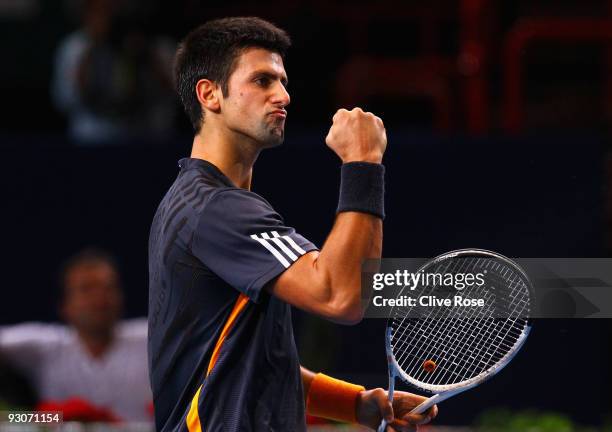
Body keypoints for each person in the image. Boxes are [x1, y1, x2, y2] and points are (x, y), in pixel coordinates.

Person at [148, 17, 438, 432]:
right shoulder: (215, 210)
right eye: (263, 80)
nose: (283, 95)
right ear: (210, 94)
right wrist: (363, 162)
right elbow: (343, 295)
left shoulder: (199, 202)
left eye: (283, 81)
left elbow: (258, 365)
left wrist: (357, 403)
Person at [0, 248, 152, 421]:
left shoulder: (151, 338)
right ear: (64, 305)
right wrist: (41, 419)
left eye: (108, 288)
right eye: (86, 289)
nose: (99, 297)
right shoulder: (45, 347)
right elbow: (15, 419)